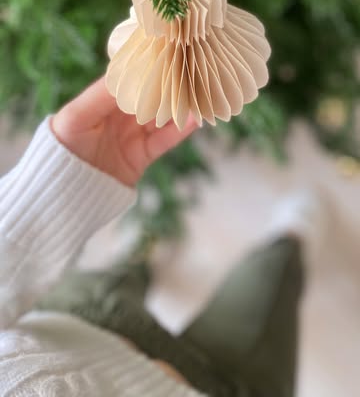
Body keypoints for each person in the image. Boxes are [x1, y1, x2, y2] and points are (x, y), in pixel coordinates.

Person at [0, 77, 327, 396]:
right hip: (208, 383)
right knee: (269, 285)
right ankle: (291, 236)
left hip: (65, 322)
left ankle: (142, 253)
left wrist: (43, 195)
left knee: (118, 275)